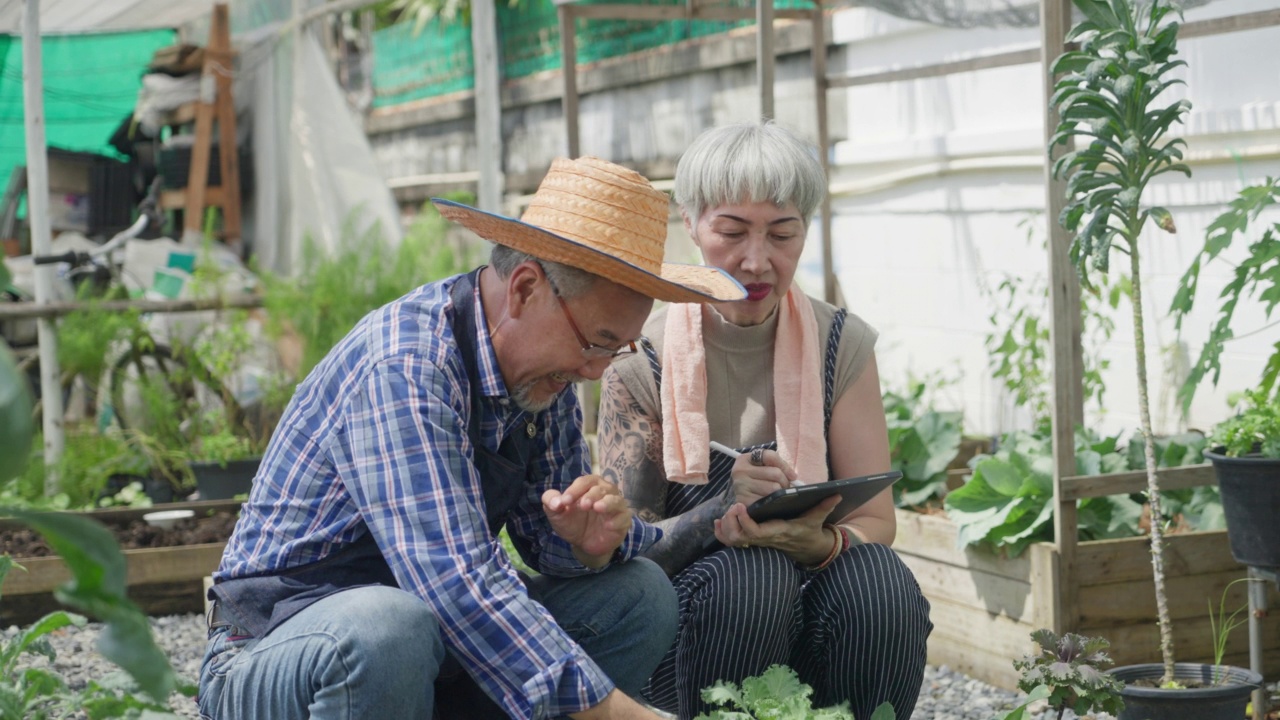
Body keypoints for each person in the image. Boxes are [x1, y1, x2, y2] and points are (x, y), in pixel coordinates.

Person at [198, 156, 747, 720]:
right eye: (596, 343)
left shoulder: (544, 375)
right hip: (282, 647)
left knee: (639, 598)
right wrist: (618, 713)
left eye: (616, 350)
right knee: (387, 629)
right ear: (526, 288)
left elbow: (543, 547)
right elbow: (454, 580)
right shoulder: (406, 365)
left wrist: (591, 542)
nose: (596, 371)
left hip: (428, 645)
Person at [598, 121, 933, 720]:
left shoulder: (841, 344)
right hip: (690, 633)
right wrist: (720, 509)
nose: (757, 261)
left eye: (783, 234)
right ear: (692, 225)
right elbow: (624, 560)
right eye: (731, 232)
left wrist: (824, 543)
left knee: (879, 581)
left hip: (812, 605)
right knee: (754, 577)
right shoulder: (637, 357)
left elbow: (876, 520)